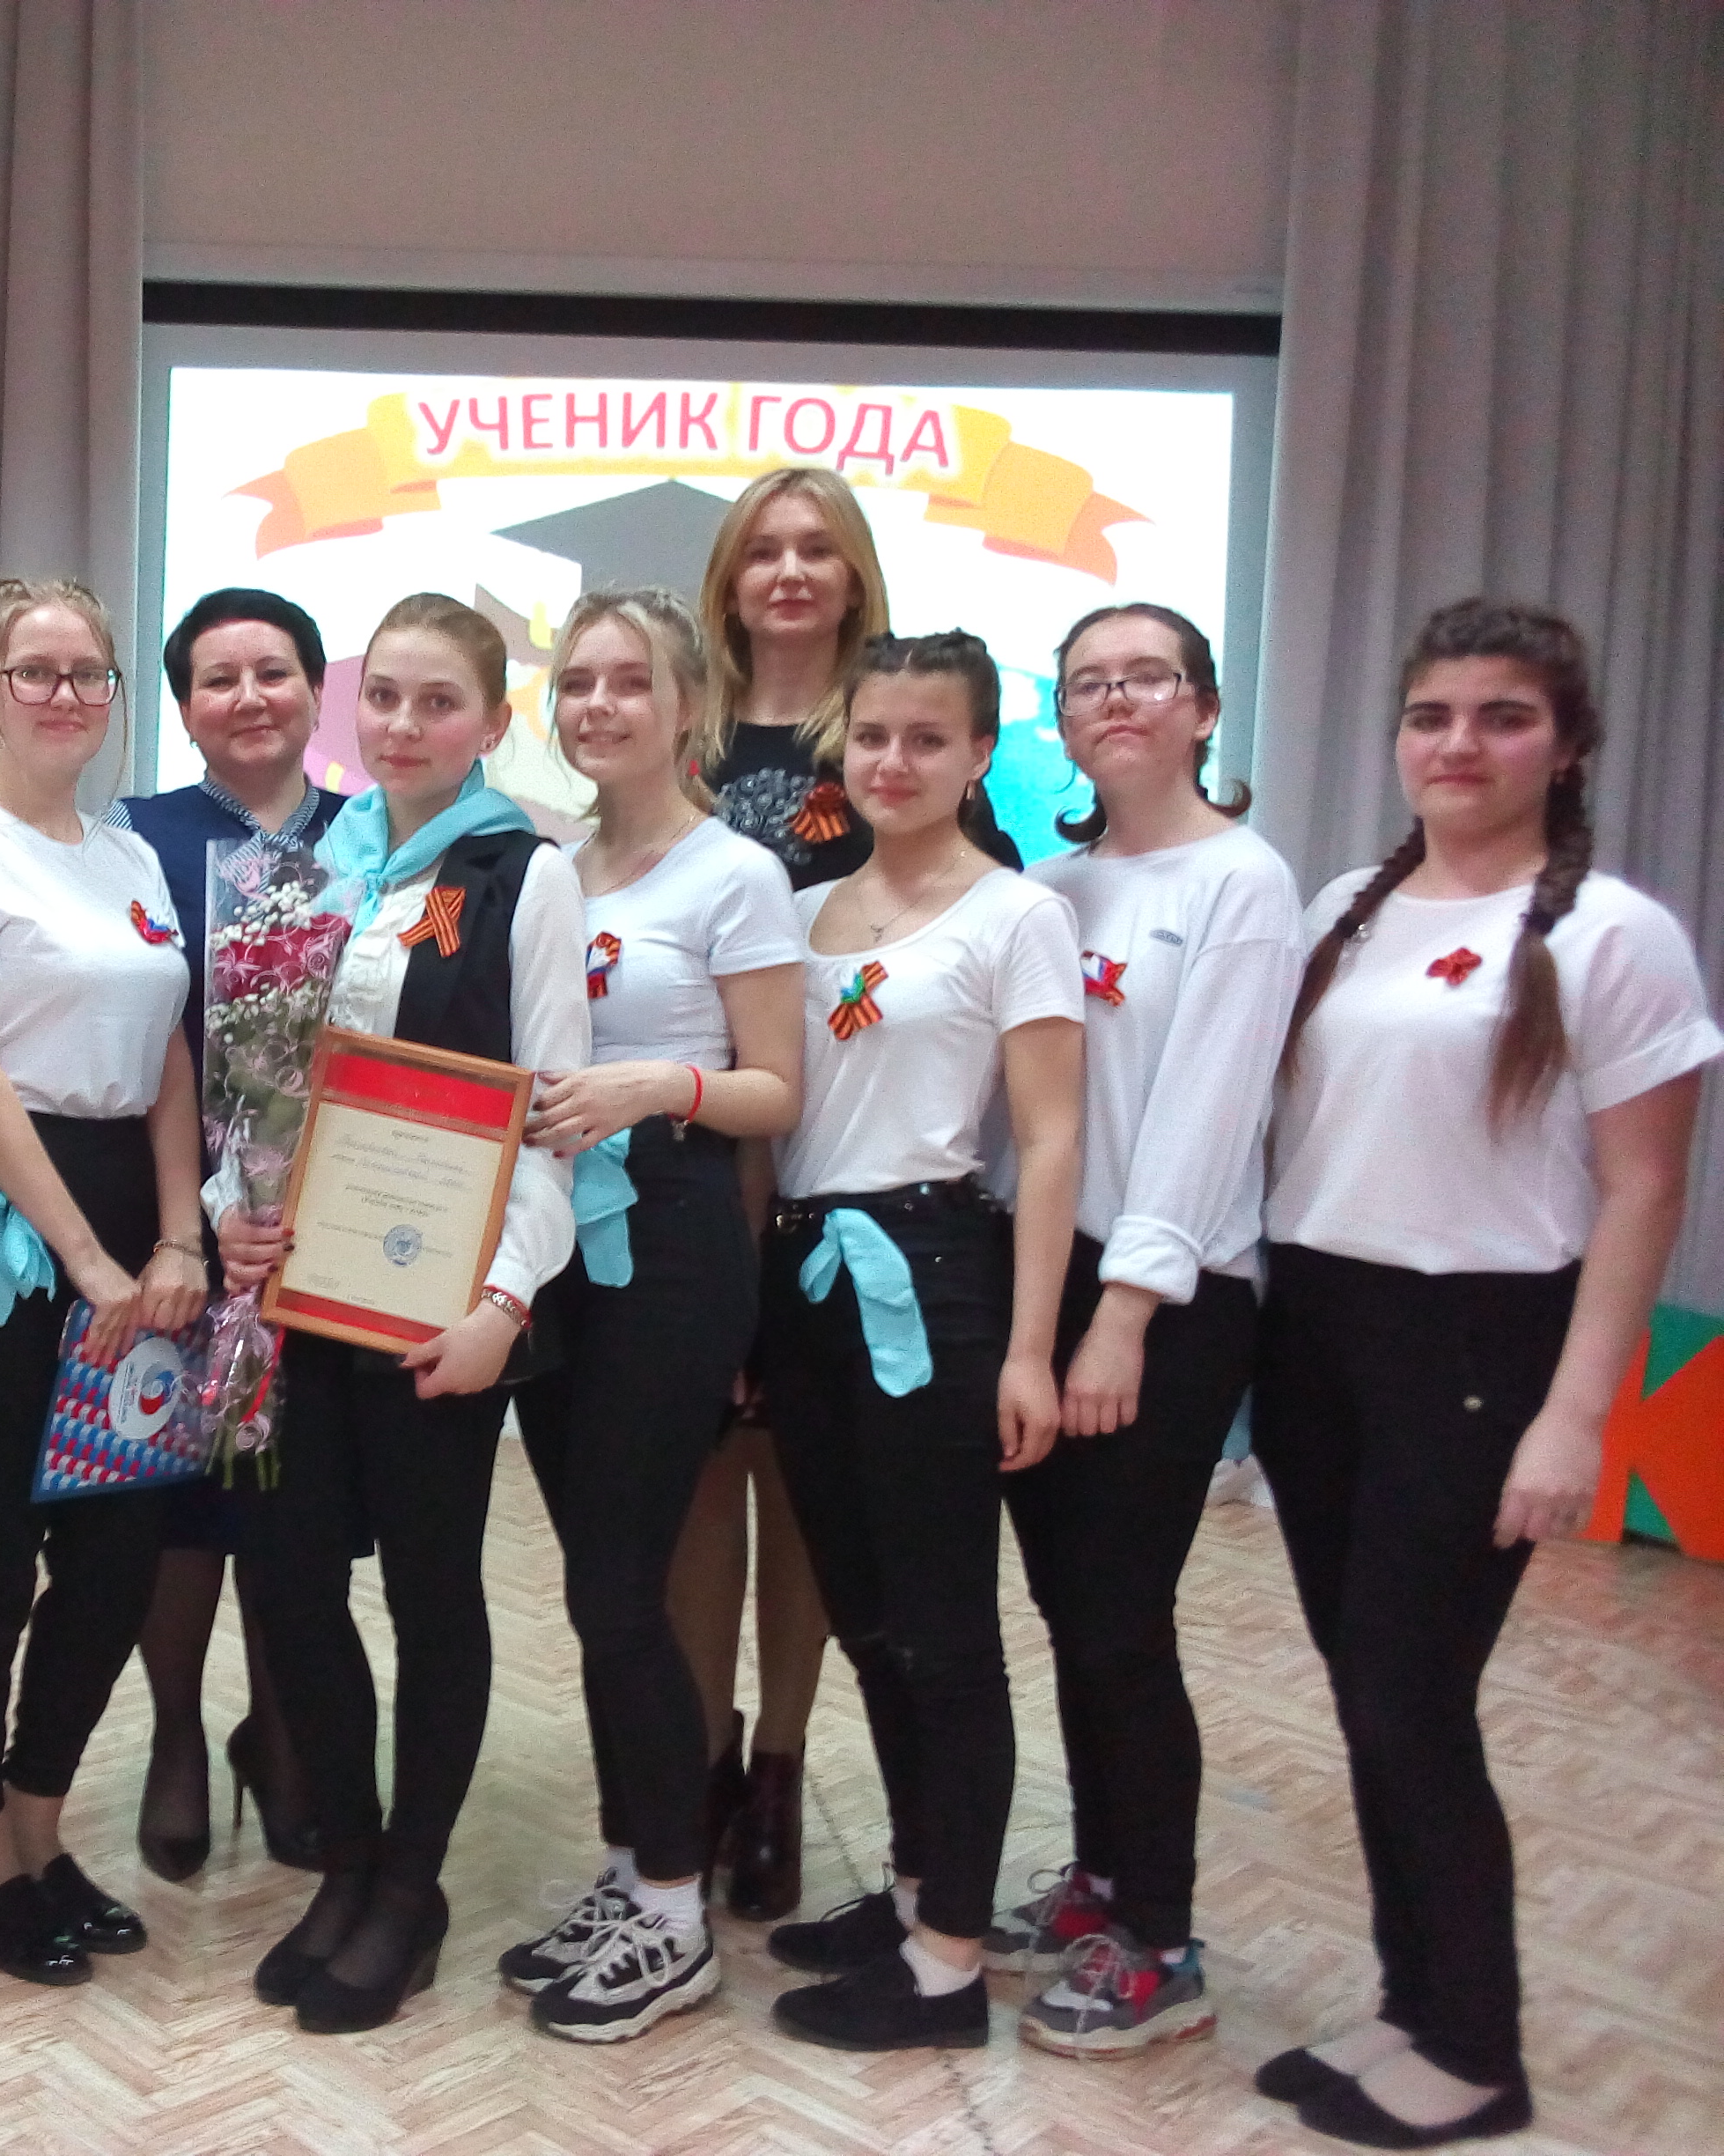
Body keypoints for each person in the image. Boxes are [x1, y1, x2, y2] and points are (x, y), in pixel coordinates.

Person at [1250, 599, 1716, 2149]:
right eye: (1432, 715)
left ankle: (1475, 2051)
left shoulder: (1613, 936)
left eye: (1503, 716)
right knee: (1370, 1694)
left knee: (1412, 1701)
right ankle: (1413, 2004)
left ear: (1567, 746)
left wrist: (1575, 1417)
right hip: (1320, 1333)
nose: (1460, 743)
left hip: (1476, 1349)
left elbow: (1644, 1190)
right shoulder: (1348, 907)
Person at [217, 592, 591, 2036]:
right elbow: (257, 1085)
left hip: (442, 1306)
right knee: (293, 1582)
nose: (405, 726)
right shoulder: (303, 867)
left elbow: (549, 1117)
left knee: (433, 1593)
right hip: (298, 1296)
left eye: (440, 703)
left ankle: (412, 1886)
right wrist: (229, 1206)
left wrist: (504, 1301)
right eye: (384, 698)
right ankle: (349, 1863)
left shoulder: (523, 875)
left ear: (492, 722)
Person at [755, 630, 1084, 2053]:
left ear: (978, 752)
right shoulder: (798, 910)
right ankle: (910, 1893)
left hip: (936, 1275)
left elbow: (1051, 1139)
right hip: (805, 1277)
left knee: (946, 1628)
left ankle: (950, 1959)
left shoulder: (1018, 914)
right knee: (866, 1615)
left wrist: (1029, 1349)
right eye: (874, 735)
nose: (894, 762)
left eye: (928, 738)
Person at [988, 603, 1300, 2057]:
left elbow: (1205, 1117)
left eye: (1147, 678)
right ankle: (1104, 1881)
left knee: (1120, 1614)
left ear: (1203, 707)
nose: (1117, 701)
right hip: (1046, 1281)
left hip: (1162, 1302)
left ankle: (1162, 1943)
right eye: (1087, 684)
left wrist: (1119, 1319)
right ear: (1061, 717)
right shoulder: (1051, 888)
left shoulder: (1242, 882)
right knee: (1072, 1608)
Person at [0, 577, 209, 1988]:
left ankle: (38, 1824)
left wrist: (178, 1236)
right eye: (37, 671)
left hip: (135, 1213)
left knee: (119, 1550)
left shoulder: (128, 855)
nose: (67, 694)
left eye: (91, 673)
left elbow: (170, 1052)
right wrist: (87, 1260)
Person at [500, 588, 804, 2042]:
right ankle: (635, 1871)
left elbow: (775, 1089)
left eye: (630, 681)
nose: (599, 705)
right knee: (595, 1581)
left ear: (689, 705)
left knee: (620, 1588)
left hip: (671, 1244)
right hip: (555, 1243)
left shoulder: (735, 872)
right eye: (578, 682)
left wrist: (654, 1086)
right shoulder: (549, 869)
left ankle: (676, 1915)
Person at [669, 467, 887, 1917]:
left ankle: (783, 1767)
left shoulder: (890, 735)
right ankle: (701, 1755)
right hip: (696, 1162)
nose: (791, 572)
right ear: (730, 581)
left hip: (838, 1166)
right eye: (766, 551)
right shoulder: (677, 737)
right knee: (697, 1477)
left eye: (819, 549)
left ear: (855, 575)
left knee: (800, 1482)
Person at [106, 586, 344, 1881]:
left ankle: (285, 1726)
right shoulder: (135, 842)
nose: (249, 697)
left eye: (273, 672)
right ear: (185, 707)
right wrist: (191, 1222)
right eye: (217, 679)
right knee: (182, 1497)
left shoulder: (375, 839)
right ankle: (176, 1735)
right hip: (176, 1226)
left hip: (334, 1232)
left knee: (302, 1501)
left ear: (315, 688)